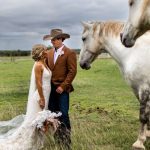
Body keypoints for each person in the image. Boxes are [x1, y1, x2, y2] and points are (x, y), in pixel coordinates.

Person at [0, 44, 60, 149]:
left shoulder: (44, 63)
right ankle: (25, 141)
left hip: (47, 94)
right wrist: (41, 98)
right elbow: (38, 83)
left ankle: (36, 141)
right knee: (33, 121)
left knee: (39, 120)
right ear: (41, 53)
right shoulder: (38, 65)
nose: (47, 51)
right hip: (40, 96)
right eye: (45, 50)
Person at [43, 29, 77, 149]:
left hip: (62, 89)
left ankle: (66, 142)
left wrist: (63, 86)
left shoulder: (69, 53)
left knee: (64, 114)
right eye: (51, 40)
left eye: (53, 40)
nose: (52, 42)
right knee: (53, 115)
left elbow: (72, 71)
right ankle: (58, 140)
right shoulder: (49, 53)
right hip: (50, 90)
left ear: (60, 39)